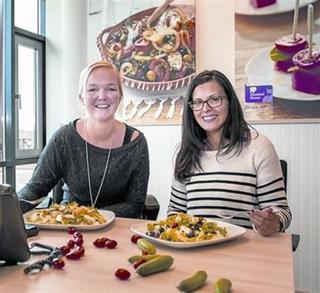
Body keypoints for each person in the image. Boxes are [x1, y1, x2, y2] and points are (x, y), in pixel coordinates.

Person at [18, 60, 149, 218]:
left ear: (120, 96)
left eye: (111, 89)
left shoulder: (136, 142)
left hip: (117, 229)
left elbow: (135, 205)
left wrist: (90, 216)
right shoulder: (63, 138)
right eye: (93, 89)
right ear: (81, 97)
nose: (102, 96)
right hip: (69, 226)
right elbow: (35, 189)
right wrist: (8, 208)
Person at [167, 70, 291, 236]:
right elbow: (175, 211)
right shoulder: (186, 152)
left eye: (214, 99)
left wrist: (272, 222)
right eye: (197, 102)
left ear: (230, 102)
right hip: (195, 249)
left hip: (243, 251)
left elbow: (281, 212)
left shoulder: (259, 146)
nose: (205, 108)